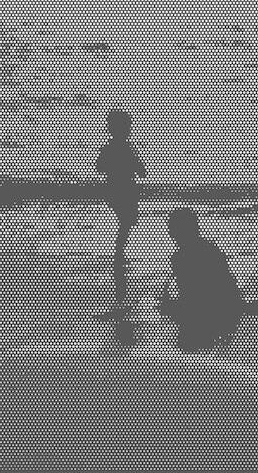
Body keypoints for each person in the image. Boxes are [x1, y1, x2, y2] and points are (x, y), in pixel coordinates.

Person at [158, 208, 258, 352]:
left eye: (172, 229)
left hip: (209, 310)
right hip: (218, 308)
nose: (171, 234)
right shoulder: (206, 250)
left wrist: (171, 305)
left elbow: (194, 295)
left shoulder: (182, 258)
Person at [94, 109, 146, 346]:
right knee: (127, 223)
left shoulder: (110, 147)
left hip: (114, 191)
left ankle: (119, 254)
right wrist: (131, 165)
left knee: (126, 223)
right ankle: (119, 255)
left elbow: (99, 167)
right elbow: (141, 170)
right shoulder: (128, 148)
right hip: (124, 191)